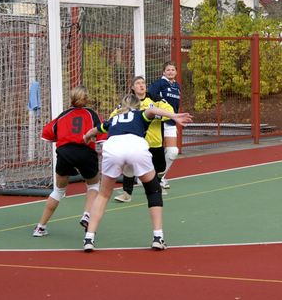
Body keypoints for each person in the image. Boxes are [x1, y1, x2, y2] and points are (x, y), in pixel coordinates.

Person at [81, 94, 192, 252]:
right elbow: (152, 110)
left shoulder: (114, 119)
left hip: (113, 148)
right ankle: (158, 237)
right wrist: (173, 116)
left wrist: (86, 137)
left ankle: (89, 238)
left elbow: (95, 130)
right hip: (135, 146)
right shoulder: (140, 114)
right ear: (138, 105)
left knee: (103, 195)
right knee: (153, 190)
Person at [33, 86, 102, 237]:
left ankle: (40, 227)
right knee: (93, 185)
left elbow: (46, 134)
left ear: (71, 98)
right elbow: (102, 133)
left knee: (58, 191)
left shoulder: (63, 115)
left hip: (65, 153)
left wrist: (64, 136)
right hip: (85, 152)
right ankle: (87, 215)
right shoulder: (91, 114)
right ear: (87, 99)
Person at [113, 76, 174, 203]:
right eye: (138, 83)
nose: (141, 85)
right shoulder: (129, 101)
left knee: (161, 167)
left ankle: (158, 184)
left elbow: (170, 111)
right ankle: (126, 194)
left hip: (154, 141)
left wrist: (155, 115)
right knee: (129, 166)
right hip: (136, 141)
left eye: (143, 83)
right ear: (132, 87)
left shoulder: (155, 98)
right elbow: (113, 115)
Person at [148, 61, 181, 188]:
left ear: (176, 72)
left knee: (173, 151)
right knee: (155, 152)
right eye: (168, 70)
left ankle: (160, 177)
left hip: (171, 122)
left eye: (173, 70)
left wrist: (175, 119)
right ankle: (147, 177)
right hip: (158, 122)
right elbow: (149, 99)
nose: (170, 72)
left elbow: (175, 107)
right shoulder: (159, 84)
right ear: (163, 72)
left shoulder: (177, 86)